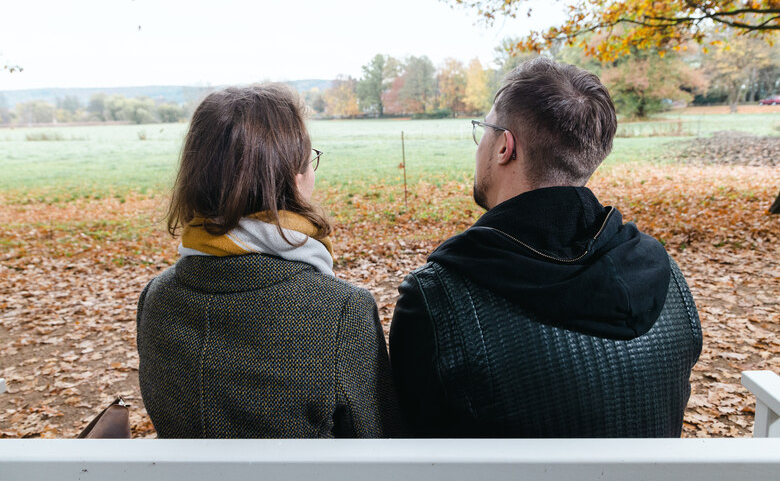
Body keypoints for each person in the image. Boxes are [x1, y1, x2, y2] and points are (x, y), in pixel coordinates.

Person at [390, 57, 702, 438]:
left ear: (505, 146)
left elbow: (411, 448)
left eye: (483, 130)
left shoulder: (436, 297)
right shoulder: (664, 274)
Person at [137, 84, 401, 438]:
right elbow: (380, 444)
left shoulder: (156, 298)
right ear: (294, 179)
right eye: (311, 161)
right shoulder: (340, 310)